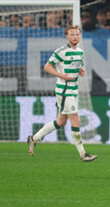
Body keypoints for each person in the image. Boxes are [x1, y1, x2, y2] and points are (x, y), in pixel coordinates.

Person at [27, 26, 98, 162]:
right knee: (76, 120)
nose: (75, 37)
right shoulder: (62, 51)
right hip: (65, 90)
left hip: (73, 89)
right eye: (72, 35)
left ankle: (34, 138)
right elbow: (47, 66)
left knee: (61, 121)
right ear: (67, 36)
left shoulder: (80, 52)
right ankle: (83, 154)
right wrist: (61, 75)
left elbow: (78, 65)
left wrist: (81, 70)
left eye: (77, 34)